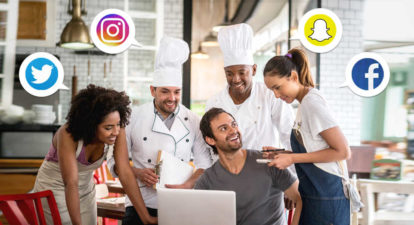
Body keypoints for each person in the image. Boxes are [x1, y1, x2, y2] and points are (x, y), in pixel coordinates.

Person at [107, 36, 212, 225]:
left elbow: (205, 164)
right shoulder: (131, 118)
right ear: (152, 90)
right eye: (165, 91)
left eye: (176, 92)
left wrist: (187, 185)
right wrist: (138, 172)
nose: (172, 98)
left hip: (180, 202)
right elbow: (115, 164)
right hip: (139, 201)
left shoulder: (194, 121)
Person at [33, 85, 156, 225]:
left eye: (117, 125)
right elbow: (71, 183)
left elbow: (125, 172)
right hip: (55, 188)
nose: (115, 131)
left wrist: (146, 217)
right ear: (90, 124)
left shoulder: (117, 129)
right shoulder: (67, 134)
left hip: (86, 190)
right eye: (108, 127)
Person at [263, 48, 353, 225]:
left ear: (294, 77)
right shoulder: (304, 104)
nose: (275, 95)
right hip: (315, 194)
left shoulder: (312, 103)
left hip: (327, 197)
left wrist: (292, 159)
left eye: (277, 87)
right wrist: (285, 154)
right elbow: (316, 149)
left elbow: (342, 151)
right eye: (272, 90)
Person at [195, 107, 302, 225]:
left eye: (234, 124)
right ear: (210, 140)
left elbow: (301, 198)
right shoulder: (206, 181)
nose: (233, 131)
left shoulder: (268, 162)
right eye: (224, 128)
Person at [205, 23, 294, 153]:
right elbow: (208, 146)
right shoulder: (214, 102)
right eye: (229, 73)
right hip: (227, 170)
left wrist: (292, 161)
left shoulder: (271, 95)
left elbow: (289, 134)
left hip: (264, 169)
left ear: (253, 70)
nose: (236, 79)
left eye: (242, 72)